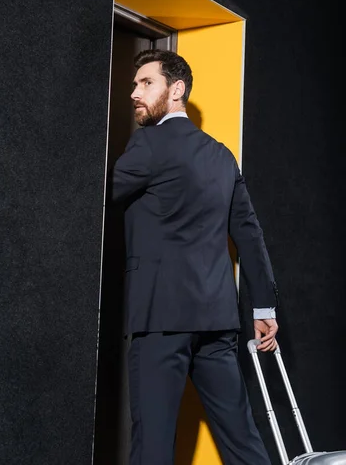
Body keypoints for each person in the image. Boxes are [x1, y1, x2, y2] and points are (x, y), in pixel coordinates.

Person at [111, 49, 279, 465]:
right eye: (135, 84)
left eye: (146, 83)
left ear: (176, 89)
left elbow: (96, 196)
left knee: (152, 446)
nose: (135, 92)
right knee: (243, 442)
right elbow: (249, 235)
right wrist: (263, 306)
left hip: (159, 319)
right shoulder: (223, 156)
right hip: (217, 321)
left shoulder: (148, 143)